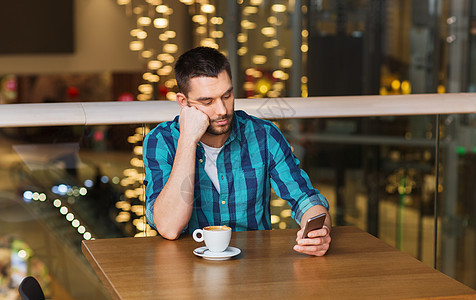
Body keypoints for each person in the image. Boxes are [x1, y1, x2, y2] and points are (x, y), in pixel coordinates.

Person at [143, 46, 331, 256]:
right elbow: (168, 227)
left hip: (253, 265)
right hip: (184, 269)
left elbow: (305, 198)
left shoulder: (264, 135)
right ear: (183, 102)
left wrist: (319, 231)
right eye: (207, 101)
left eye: (227, 95)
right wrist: (188, 140)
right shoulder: (161, 141)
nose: (222, 110)